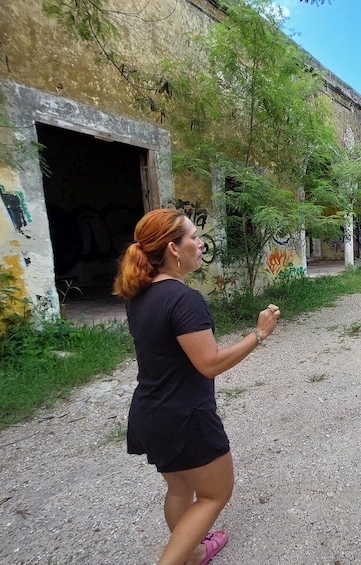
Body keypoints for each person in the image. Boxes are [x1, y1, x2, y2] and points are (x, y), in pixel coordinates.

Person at [113, 208, 280, 565]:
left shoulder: (139, 297)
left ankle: (192, 552)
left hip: (151, 413)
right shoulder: (183, 299)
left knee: (180, 487)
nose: (200, 242)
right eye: (192, 236)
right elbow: (210, 363)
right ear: (173, 249)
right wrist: (259, 333)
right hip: (185, 418)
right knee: (214, 494)